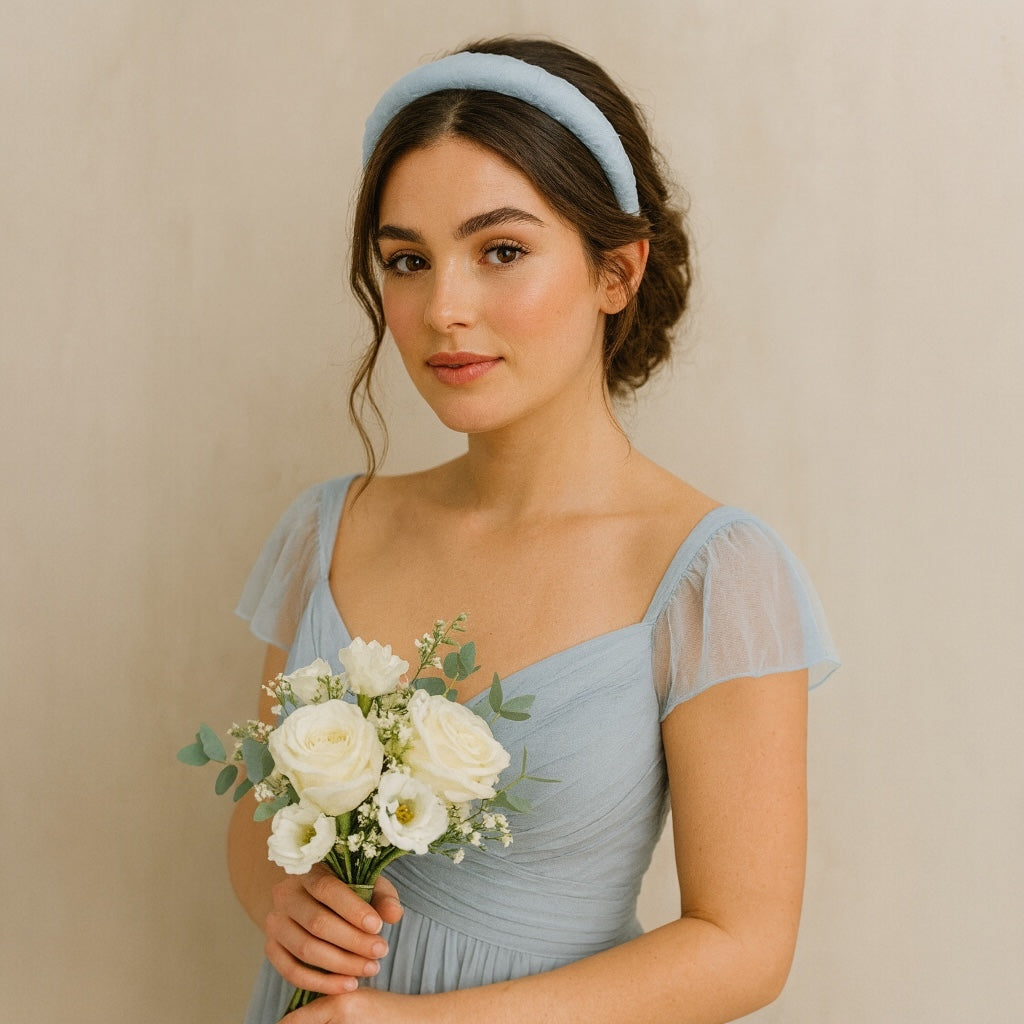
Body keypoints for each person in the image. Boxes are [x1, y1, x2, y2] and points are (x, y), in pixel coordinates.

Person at [227, 36, 839, 1024]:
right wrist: (284, 901)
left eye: (500, 251)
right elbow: (258, 818)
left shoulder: (711, 574)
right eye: (407, 261)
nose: (444, 309)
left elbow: (743, 945)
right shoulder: (328, 530)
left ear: (617, 271)